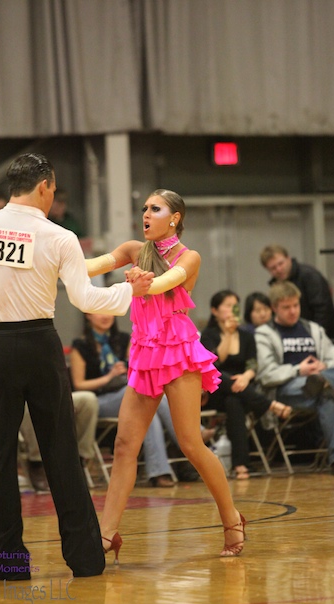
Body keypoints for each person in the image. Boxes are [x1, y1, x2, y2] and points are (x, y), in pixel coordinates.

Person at [0, 152, 153, 579]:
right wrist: (130, 290)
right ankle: (84, 559)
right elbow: (85, 300)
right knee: (61, 450)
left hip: (0, 345)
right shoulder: (59, 236)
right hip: (42, 345)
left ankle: (7, 565)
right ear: (45, 186)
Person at [85, 188, 247, 559]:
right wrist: (53, 258)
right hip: (144, 352)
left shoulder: (190, 257)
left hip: (178, 351)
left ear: (174, 217)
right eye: (144, 208)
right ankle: (107, 533)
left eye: (155, 209)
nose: (146, 214)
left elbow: (162, 284)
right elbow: (91, 266)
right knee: (125, 445)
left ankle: (231, 519)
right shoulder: (132, 250)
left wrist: (140, 284)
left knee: (191, 443)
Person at [71, 313, 194, 488]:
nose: (106, 316)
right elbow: (79, 384)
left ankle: (159, 472)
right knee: (143, 394)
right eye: (100, 310)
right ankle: (189, 436)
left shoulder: (122, 339)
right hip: (100, 401)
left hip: (130, 394)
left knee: (147, 410)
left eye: (110, 310)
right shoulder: (80, 346)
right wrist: (109, 377)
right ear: (88, 316)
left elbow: (137, 368)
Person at [255, 281, 334, 476]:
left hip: (319, 383)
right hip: (287, 388)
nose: (292, 311)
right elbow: (266, 374)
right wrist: (299, 369)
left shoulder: (313, 329)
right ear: (274, 308)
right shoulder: (265, 334)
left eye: (295, 305)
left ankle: (326, 380)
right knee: (330, 390)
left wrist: (325, 368)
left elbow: (332, 358)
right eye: (286, 307)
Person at [200, 290, 291, 480]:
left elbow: (252, 364)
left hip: (242, 389)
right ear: (214, 310)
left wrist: (246, 377)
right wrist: (227, 335)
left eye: (235, 305)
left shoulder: (247, 335)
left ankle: (240, 464)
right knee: (221, 377)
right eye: (227, 305)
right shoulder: (208, 335)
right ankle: (270, 405)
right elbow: (213, 365)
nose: (232, 309)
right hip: (215, 391)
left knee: (234, 401)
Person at [19, 391, 99, 492]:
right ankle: (37, 462)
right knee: (29, 403)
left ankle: (77, 461)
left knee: (88, 400)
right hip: (25, 398)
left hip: (58, 393)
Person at [260, 244, 334, 339]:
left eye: (281, 263)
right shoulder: (275, 285)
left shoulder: (310, 276)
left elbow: (323, 310)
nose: (279, 269)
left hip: (323, 337)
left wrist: (313, 337)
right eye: (273, 268)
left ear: (288, 258)